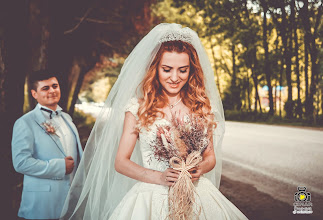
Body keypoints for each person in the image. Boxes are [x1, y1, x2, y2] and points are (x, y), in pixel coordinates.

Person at [61, 23, 248, 219]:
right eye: (167, 69)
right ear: (155, 68)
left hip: (198, 193)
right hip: (152, 195)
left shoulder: (202, 106)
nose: (175, 77)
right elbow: (121, 162)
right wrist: (158, 176)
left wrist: (200, 168)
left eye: (183, 70)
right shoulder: (138, 108)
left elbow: (210, 156)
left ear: (191, 71)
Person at [12, 70, 83, 220]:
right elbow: (21, 163)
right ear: (34, 94)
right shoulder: (25, 122)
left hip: (71, 200)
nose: (52, 91)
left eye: (55, 86)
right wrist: (60, 167)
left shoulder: (67, 118)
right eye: (45, 88)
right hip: (42, 203)